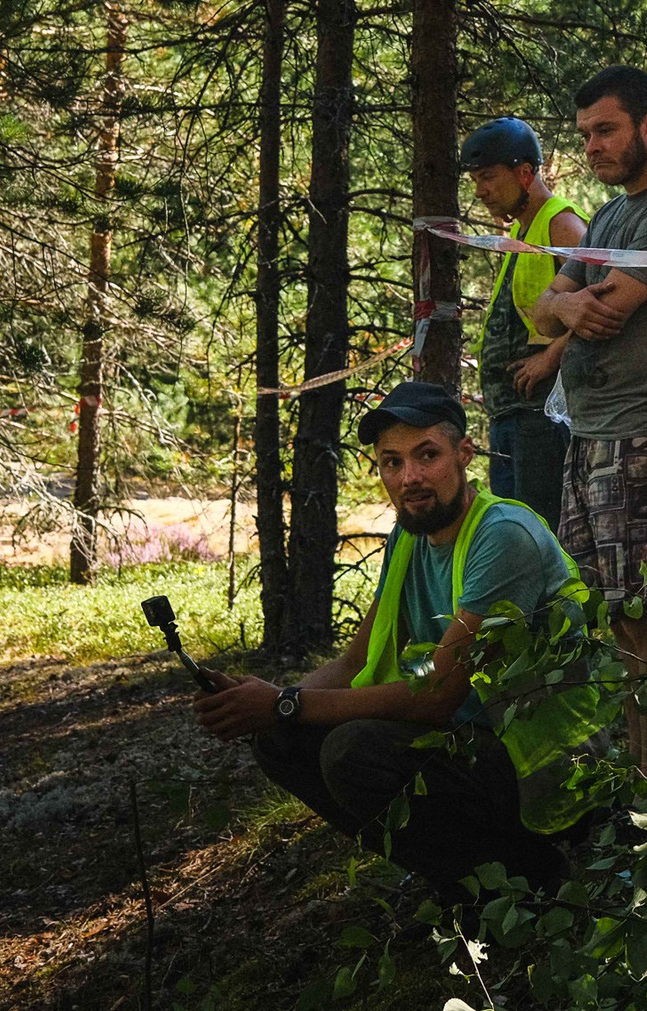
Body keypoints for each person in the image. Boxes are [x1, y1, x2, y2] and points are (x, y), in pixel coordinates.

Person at [192, 381, 598, 899]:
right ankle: (459, 872)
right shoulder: (410, 537)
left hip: (548, 765)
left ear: (464, 454)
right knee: (281, 740)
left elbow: (435, 696)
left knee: (352, 751)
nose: (410, 478)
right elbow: (357, 659)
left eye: (427, 455)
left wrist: (287, 704)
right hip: (473, 734)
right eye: (391, 462)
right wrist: (268, 702)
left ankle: (523, 876)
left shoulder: (501, 536)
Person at [527, 66, 647, 762]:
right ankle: (637, 782)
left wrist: (570, 305)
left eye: (605, 129)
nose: (591, 147)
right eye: (584, 135)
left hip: (644, 432)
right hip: (591, 434)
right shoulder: (609, 215)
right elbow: (545, 305)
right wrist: (563, 305)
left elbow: (602, 308)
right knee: (615, 615)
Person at [458, 116, 587, 530]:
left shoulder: (561, 223)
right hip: (512, 419)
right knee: (512, 534)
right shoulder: (523, 231)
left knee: (539, 535)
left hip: (541, 421)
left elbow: (603, 299)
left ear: (525, 173)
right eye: (476, 179)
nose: (480, 191)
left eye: (488, 177)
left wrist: (550, 357)